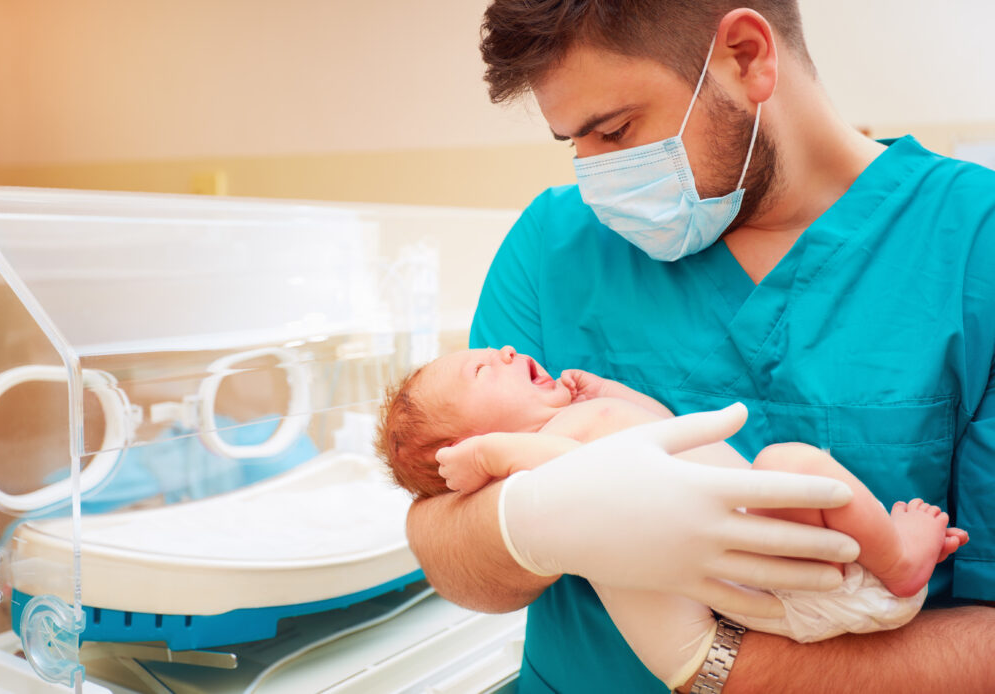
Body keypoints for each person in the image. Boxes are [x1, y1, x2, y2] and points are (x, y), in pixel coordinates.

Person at [407, 2, 995, 692]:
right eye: (573, 143)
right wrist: (531, 523)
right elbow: (445, 538)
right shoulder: (552, 245)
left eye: (616, 130)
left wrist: (715, 664)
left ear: (746, 56)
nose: (593, 181)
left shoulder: (972, 244)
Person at [377, 345, 968, 686]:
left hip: (802, 569)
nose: (504, 351)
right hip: (789, 585)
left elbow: (657, 425)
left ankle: (888, 557)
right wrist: (491, 455)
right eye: (482, 370)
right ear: (463, 446)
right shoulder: (529, 461)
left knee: (786, 467)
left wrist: (612, 394)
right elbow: (577, 480)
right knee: (788, 461)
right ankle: (898, 559)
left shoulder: (577, 418)